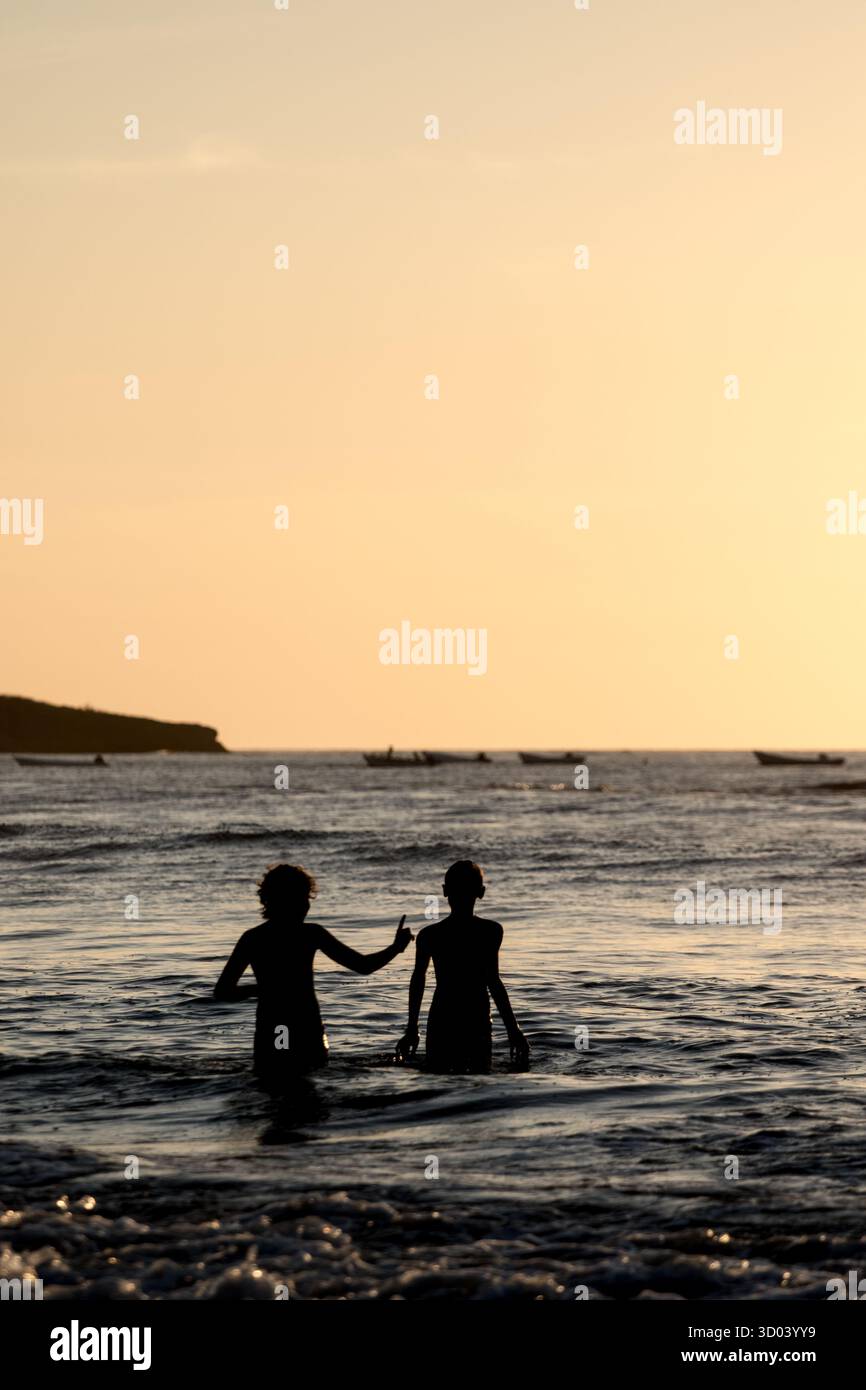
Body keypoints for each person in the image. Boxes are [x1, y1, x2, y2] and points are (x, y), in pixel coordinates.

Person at [214, 863, 412, 1078]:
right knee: (306, 1089)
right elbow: (363, 966)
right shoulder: (310, 934)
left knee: (275, 1082)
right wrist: (395, 948)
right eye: (303, 898)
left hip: (276, 1028)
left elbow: (223, 991)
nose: (307, 905)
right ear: (290, 900)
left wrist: (261, 989)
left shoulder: (253, 938)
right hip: (304, 1028)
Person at [395, 860, 529, 1072]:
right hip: (476, 1017)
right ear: (481, 892)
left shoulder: (430, 935)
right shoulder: (490, 931)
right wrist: (513, 1030)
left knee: (437, 1080)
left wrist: (412, 1028)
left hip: (442, 1017)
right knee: (480, 1079)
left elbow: (418, 981)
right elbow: (493, 981)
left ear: (445, 891)